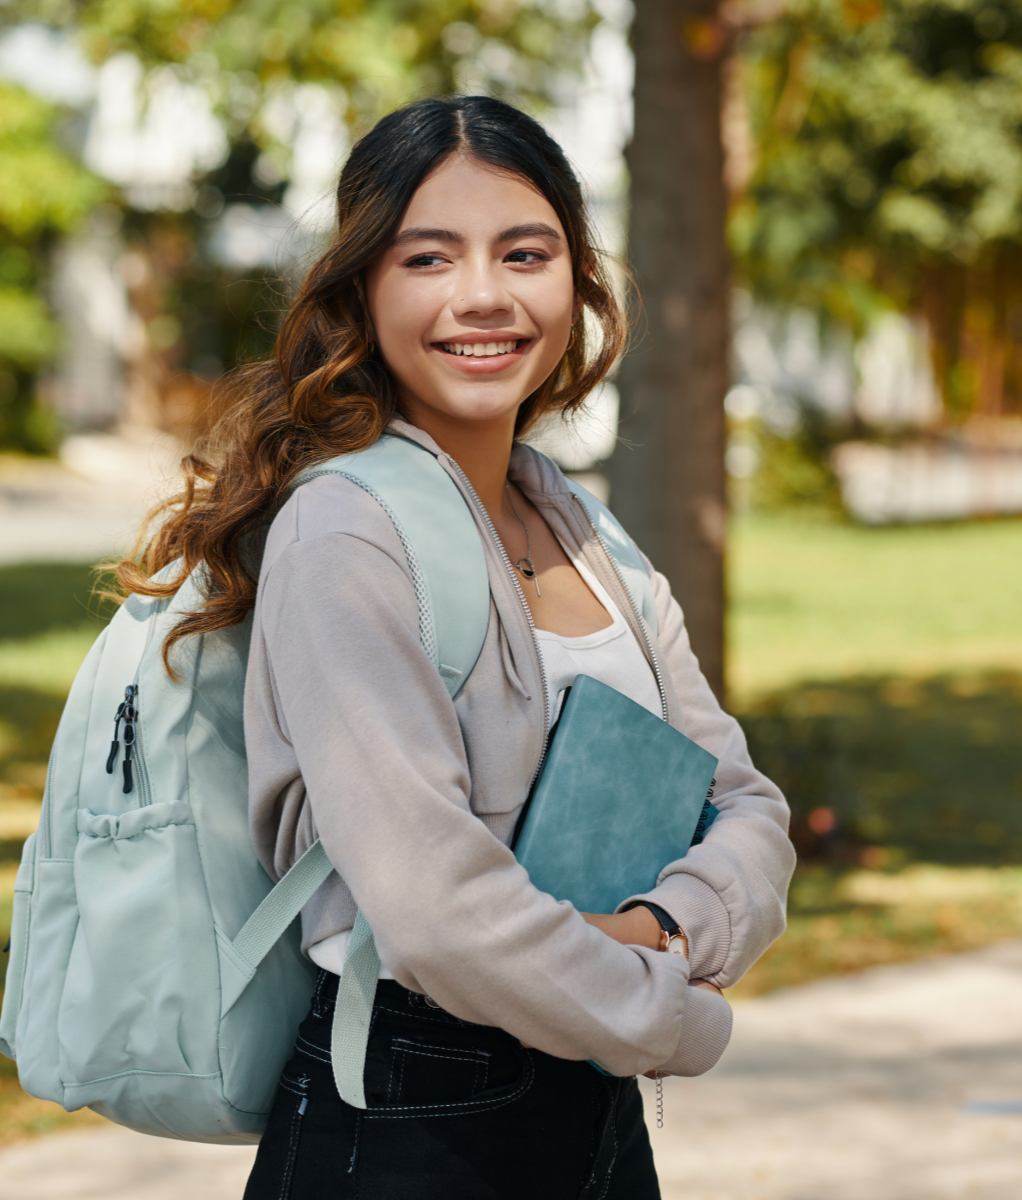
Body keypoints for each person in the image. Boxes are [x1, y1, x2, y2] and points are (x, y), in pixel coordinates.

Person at [127, 95, 794, 1198]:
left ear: (574, 280)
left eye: (522, 253)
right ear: (362, 292)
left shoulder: (577, 525)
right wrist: (664, 1011)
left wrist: (657, 928)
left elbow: (745, 803)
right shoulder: (342, 530)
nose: (481, 296)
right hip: (410, 1111)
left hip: (591, 1105)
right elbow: (435, 910)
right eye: (426, 259)